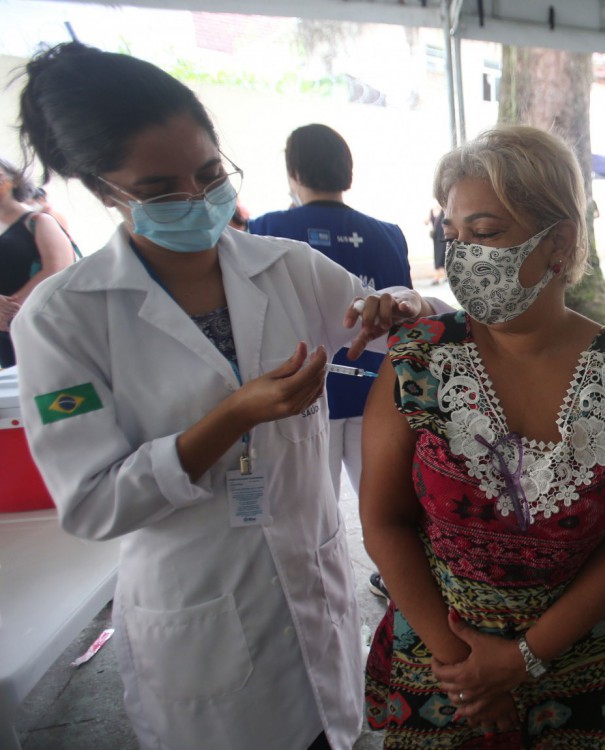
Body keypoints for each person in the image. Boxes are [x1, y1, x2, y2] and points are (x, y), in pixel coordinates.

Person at [12, 42, 442, 750]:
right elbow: (92, 504)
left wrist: (402, 303)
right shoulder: (63, 318)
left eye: (210, 174)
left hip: (313, 587)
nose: (197, 199)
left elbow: (399, 321)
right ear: (104, 190)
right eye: (160, 190)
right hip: (199, 615)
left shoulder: (288, 267)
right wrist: (231, 417)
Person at [360, 125, 605, 748]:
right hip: (443, 667)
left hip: (585, 668)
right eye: (453, 236)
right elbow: (383, 521)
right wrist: (465, 668)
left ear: (559, 240)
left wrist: (523, 658)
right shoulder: (418, 360)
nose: (462, 256)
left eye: (484, 233)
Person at [249, 123, 413, 506]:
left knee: (315, 510)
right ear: (346, 169)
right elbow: (403, 316)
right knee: (383, 508)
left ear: (295, 171)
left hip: (302, 395)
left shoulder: (266, 230)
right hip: (377, 391)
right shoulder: (388, 234)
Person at [0, 158, 75, 367]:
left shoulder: (39, 221)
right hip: (9, 335)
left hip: (49, 323)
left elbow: (57, 270)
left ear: (15, 179)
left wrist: (9, 311)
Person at [424, 204, 447, 286]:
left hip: (443, 237)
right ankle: (443, 277)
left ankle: (438, 277)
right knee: (437, 256)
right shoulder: (431, 211)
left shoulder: (443, 210)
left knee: (442, 255)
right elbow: (426, 222)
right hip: (436, 238)